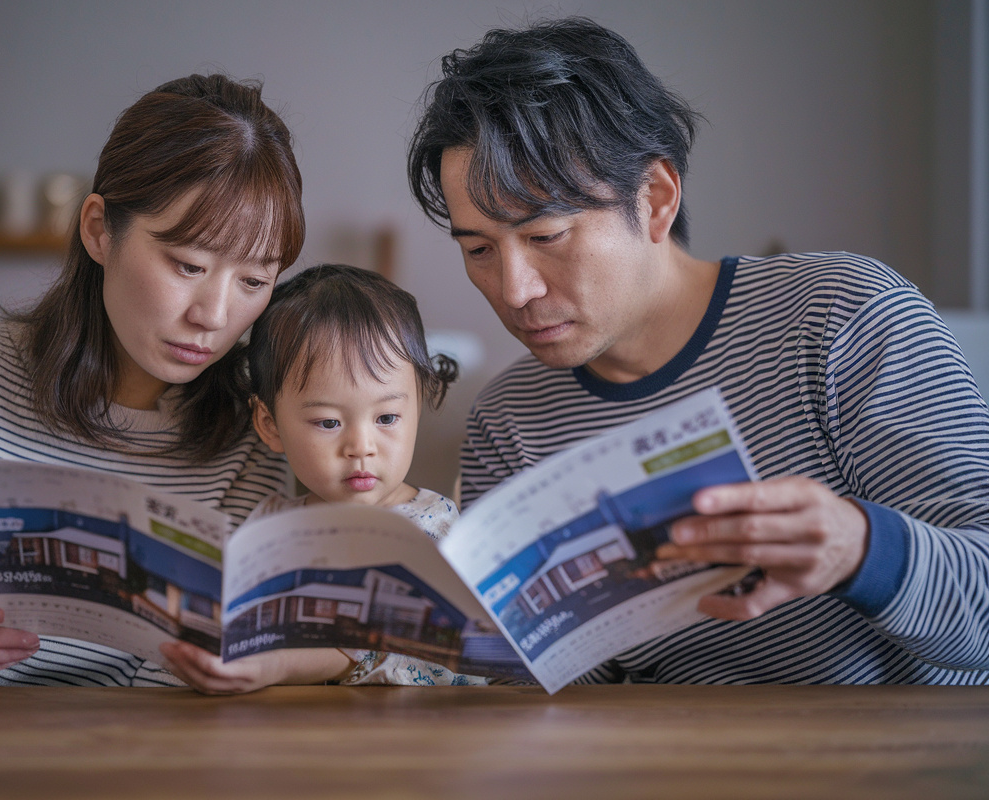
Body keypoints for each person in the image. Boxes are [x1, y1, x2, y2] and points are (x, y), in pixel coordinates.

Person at [407, 17, 989, 684]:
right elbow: (554, 696)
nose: (514, 290)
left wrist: (863, 550)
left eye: (546, 236)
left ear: (655, 199)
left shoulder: (841, 316)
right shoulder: (508, 418)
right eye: (479, 249)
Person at [0, 74, 310, 688]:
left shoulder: (256, 426)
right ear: (98, 230)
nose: (214, 316)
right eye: (188, 265)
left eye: (253, 281)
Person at [159, 263, 487, 689]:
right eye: (329, 422)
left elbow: (426, 656)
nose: (361, 446)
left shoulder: (437, 527)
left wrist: (281, 663)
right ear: (270, 425)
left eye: (387, 417)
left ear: (417, 408)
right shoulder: (269, 528)